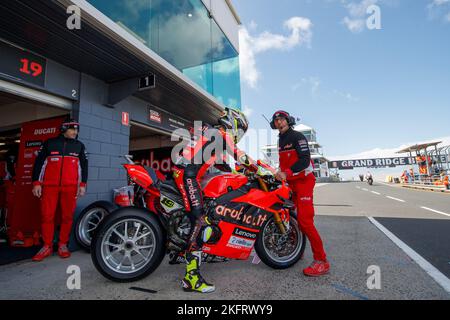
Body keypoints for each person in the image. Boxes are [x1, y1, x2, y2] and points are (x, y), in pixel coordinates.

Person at [173, 108, 250, 293]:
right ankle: (191, 278)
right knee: (200, 222)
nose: (239, 135)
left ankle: (191, 251)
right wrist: (259, 169)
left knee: (204, 214)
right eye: (240, 131)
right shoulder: (222, 134)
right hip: (188, 176)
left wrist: (237, 173)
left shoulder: (213, 134)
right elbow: (240, 155)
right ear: (235, 124)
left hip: (188, 174)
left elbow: (223, 164)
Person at [271, 110, 330, 277]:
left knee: (304, 221)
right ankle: (298, 250)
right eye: (276, 121)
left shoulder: (297, 136)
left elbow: (304, 160)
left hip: (304, 182)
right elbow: (284, 163)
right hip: (291, 183)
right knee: (290, 218)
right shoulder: (280, 140)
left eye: (282, 119)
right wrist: (278, 172)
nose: (279, 123)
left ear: (288, 121)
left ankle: (322, 261)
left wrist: (287, 173)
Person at [31, 119, 88, 261]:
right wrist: (37, 183)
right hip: (49, 187)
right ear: (63, 129)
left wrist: (82, 185)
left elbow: (84, 167)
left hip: (70, 188)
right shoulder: (50, 143)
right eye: (72, 129)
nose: (75, 132)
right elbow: (39, 164)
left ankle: (63, 244)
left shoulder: (79, 146)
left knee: (67, 217)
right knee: (47, 216)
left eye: (77, 130)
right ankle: (47, 246)